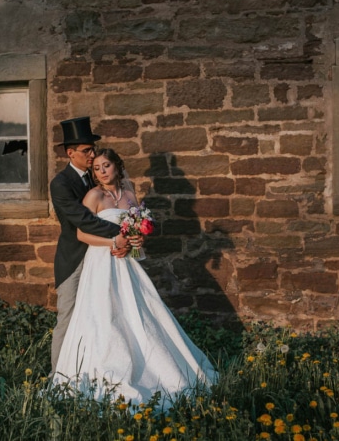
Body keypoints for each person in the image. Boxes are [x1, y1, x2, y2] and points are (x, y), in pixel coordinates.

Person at [53, 148, 217, 408]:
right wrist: (112, 241)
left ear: (117, 166)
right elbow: (81, 235)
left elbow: (136, 231)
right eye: (96, 168)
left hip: (126, 263)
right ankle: (106, 371)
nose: (102, 171)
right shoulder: (94, 196)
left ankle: (148, 366)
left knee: (137, 312)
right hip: (102, 262)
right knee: (104, 315)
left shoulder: (130, 196)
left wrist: (136, 240)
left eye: (106, 165)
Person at [49, 117, 132, 373]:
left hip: (105, 258)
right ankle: (58, 376)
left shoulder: (96, 178)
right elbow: (82, 221)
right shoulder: (60, 183)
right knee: (68, 316)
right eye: (86, 150)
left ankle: (98, 371)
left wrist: (128, 238)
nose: (92, 155)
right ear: (70, 153)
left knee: (107, 315)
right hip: (75, 258)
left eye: (93, 149)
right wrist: (122, 233)